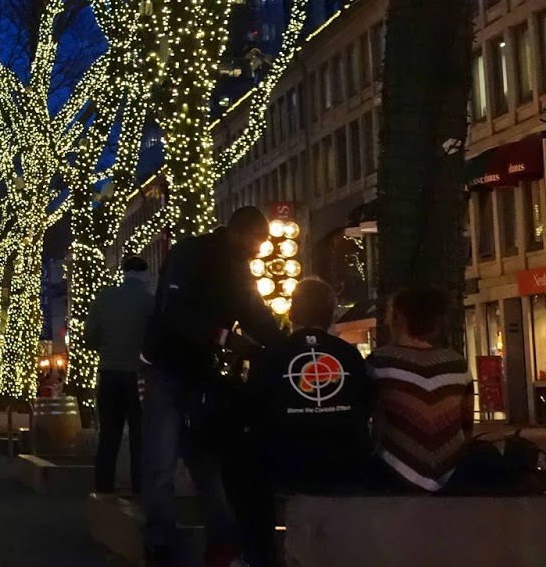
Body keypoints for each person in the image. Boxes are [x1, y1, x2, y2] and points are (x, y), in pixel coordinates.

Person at [140, 205, 283, 567]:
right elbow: (173, 313)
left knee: (201, 462)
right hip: (169, 368)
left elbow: (253, 311)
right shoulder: (192, 253)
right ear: (241, 231)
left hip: (197, 371)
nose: (259, 250)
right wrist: (224, 338)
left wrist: (284, 342)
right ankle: (161, 543)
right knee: (164, 462)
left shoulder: (234, 266)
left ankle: (217, 540)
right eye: (258, 242)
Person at [229, 278, 374, 567]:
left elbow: (249, 411)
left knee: (239, 465)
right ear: (332, 313)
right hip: (347, 462)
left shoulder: (272, 356)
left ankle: (256, 555)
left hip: (286, 464)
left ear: (292, 313)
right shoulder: (350, 355)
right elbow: (365, 405)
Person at [369, 284, 472, 494]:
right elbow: (466, 423)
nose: (387, 321)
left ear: (399, 317)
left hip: (394, 473)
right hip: (454, 474)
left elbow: (369, 417)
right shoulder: (456, 363)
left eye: (389, 313)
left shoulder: (380, 362)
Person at [87, 254, 153, 494]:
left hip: (109, 373)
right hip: (138, 376)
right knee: (140, 437)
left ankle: (103, 491)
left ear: (122, 273)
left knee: (109, 436)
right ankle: (140, 491)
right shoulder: (150, 302)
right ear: (145, 274)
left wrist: (106, 348)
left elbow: (89, 337)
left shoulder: (104, 298)